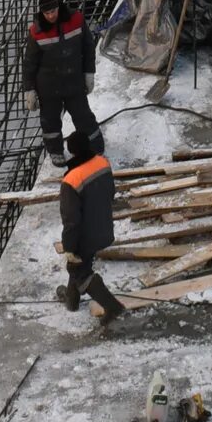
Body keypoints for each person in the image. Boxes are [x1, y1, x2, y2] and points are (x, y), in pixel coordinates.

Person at [57, 126, 124, 322]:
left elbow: (71, 220)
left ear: (72, 151)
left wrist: (69, 247)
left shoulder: (71, 179)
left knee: (79, 269)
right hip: (104, 227)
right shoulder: (102, 163)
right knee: (78, 264)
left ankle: (113, 307)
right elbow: (110, 193)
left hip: (85, 235)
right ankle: (71, 299)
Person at [21, 0, 97, 163]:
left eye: (53, 11)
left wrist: (89, 72)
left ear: (58, 7)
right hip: (48, 87)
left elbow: (88, 46)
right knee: (50, 122)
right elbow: (29, 64)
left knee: (83, 116)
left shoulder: (76, 20)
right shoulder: (36, 32)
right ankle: (55, 152)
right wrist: (29, 90)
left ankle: (95, 147)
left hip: (74, 81)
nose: (50, 16)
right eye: (46, 13)